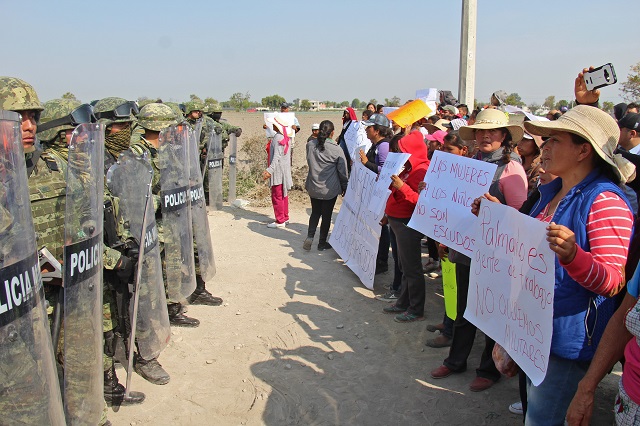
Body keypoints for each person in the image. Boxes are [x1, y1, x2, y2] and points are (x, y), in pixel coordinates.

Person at [520, 104, 635, 425]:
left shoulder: (605, 201)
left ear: (584, 150)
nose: (545, 146)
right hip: (536, 332)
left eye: (555, 139)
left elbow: (613, 281)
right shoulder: (552, 191)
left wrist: (574, 256)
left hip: (565, 342)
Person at [430, 108, 528, 393]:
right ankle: (456, 360)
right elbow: (456, 205)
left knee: (489, 313)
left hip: (495, 256)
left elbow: (521, 217)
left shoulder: (512, 168)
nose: (486, 136)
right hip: (465, 247)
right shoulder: (471, 163)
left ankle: (488, 369)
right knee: (462, 311)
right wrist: (444, 235)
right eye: (481, 131)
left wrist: (495, 211)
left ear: (504, 136)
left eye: (493, 131)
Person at [425, 131, 475, 348]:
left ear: (463, 150)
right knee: (449, 283)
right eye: (443, 148)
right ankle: (448, 321)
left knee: (458, 287)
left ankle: (450, 330)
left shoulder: (472, 173)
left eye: (449, 149)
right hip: (446, 234)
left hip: (461, 238)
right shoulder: (445, 170)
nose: (444, 152)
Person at [380, 129, 430, 322]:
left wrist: (401, 186)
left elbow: (420, 201)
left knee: (412, 268)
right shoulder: (408, 167)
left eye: (400, 150)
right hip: (397, 221)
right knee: (403, 264)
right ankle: (403, 302)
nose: (397, 154)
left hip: (408, 223)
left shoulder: (421, 170)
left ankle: (416, 308)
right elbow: (396, 193)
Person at [303, 120, 348, 251]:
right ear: (332, 133)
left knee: (315, 212)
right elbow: (343, 171)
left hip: (313, 186)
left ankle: (310, 236)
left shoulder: (310, 145)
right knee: (326, 215)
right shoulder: (337, 149)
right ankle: (322, 243)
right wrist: (344, 186)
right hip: (329, 189)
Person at [359, 113, 393, 274]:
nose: (366, 130)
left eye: (369, 127)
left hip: (380, 195)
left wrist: (366, 163)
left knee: (381, 228)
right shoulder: (376, 145)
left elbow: (386, 171)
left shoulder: (384, 146)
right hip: (372, 192)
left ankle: (382, 261)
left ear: (377, 131)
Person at [263, 113, 294, 228]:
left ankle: (280, 220)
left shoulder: (278, 138)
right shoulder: (286, 137)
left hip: (278, 171)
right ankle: (285, 217)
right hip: (284, 170)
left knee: (277, 195)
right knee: (283, 194)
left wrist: (269, 170)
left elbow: (277, 156)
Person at [517, 129, 544, 195]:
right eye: (520, 139)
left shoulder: (540, 168)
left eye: (525, 140)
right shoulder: (516, 163)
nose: (519, 143)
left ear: (536, 143)